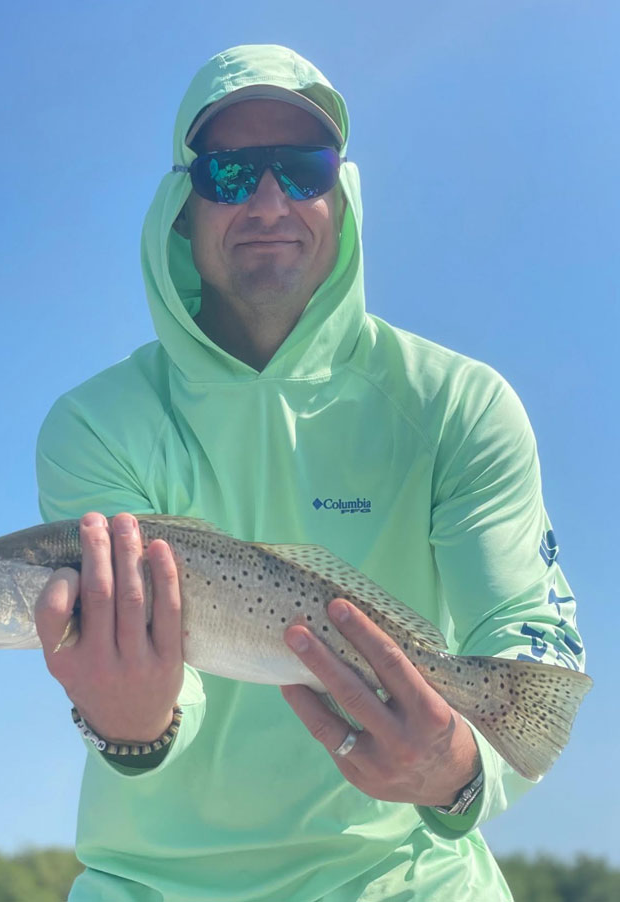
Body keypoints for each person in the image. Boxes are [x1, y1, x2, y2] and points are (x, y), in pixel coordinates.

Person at [34, 44, 587, 901]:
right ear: (183, 206)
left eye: (301, 168)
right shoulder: (95, 424)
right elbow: (163, 693)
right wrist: (133, 728)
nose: (267, 200)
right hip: (150, 885)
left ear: (344, 194)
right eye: (229, 171)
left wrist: (457, 769)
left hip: (412, 879)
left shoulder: (459, 403)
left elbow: (525, 633)